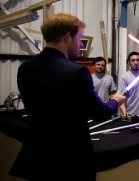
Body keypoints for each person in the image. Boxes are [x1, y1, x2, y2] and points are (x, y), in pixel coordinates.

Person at [11, 13, 126, 181]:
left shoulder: (26, 68)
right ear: (67, 37)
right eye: (79, 38)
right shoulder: (76, 71)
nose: (80, 44)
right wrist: (116, 101)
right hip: (69, 160)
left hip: (37, 153)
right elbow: (99, 112)